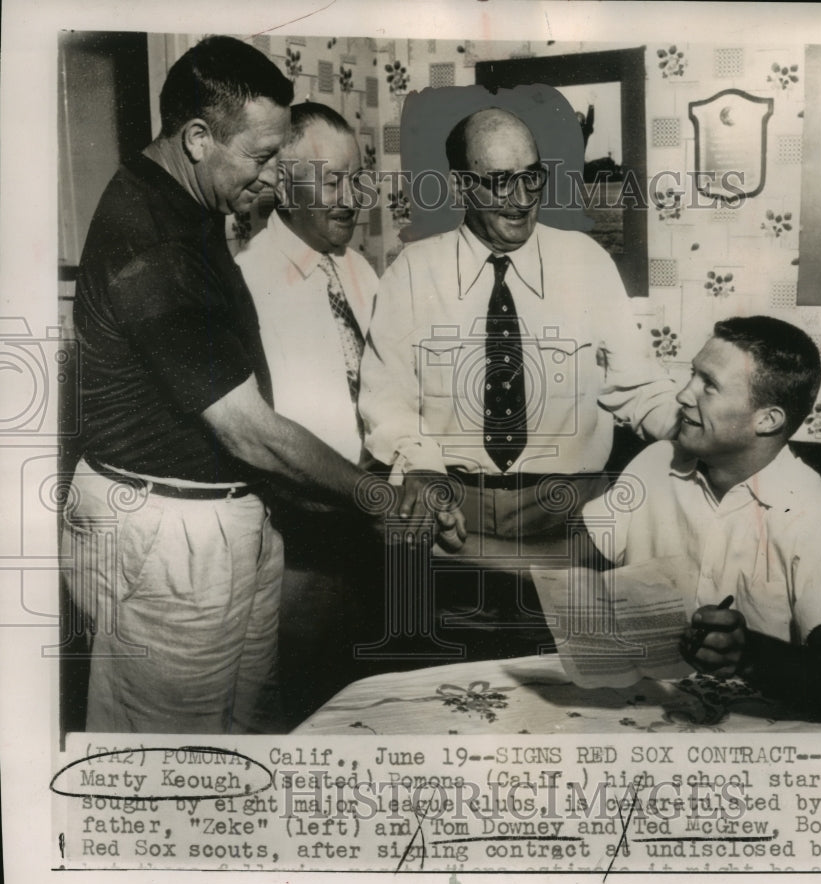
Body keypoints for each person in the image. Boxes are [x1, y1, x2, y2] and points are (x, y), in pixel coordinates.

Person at [63, 36, 459, 735]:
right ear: (195, 138)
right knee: (171, 766)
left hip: (227, 522)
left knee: (251, 739)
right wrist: (381, 498)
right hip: (170, 533)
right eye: (265, 157)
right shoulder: (150, 240)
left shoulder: (189, 206)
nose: (275, 181)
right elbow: (248, 427)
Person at [359, 106, 679, 547]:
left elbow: (637, 386)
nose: (522, 197)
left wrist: (705, 432)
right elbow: (387, 397)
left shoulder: (586, 261)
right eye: (499, 181)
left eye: (532, 176)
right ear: (460, 187)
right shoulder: (412, 273)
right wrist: (421, 466)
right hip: (452, 514)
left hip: (572, 513)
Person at [579, 316, 821, 721]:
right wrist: (466, 544)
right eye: (692, 376)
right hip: (653, 710)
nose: (684, 395)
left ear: (767, 420)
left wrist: (750, 653)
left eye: (709, 385)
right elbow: (569, 557)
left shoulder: (818, 519)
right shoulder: (655, 461)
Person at [236, 102, 381, 725]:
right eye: (331, 180)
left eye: (357, 179)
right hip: (297, 538)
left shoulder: (361, 271)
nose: (351, 199)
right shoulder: (246, 281)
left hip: (368, 526)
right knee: (296, 705)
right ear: (283, 185)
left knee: (364, 700)